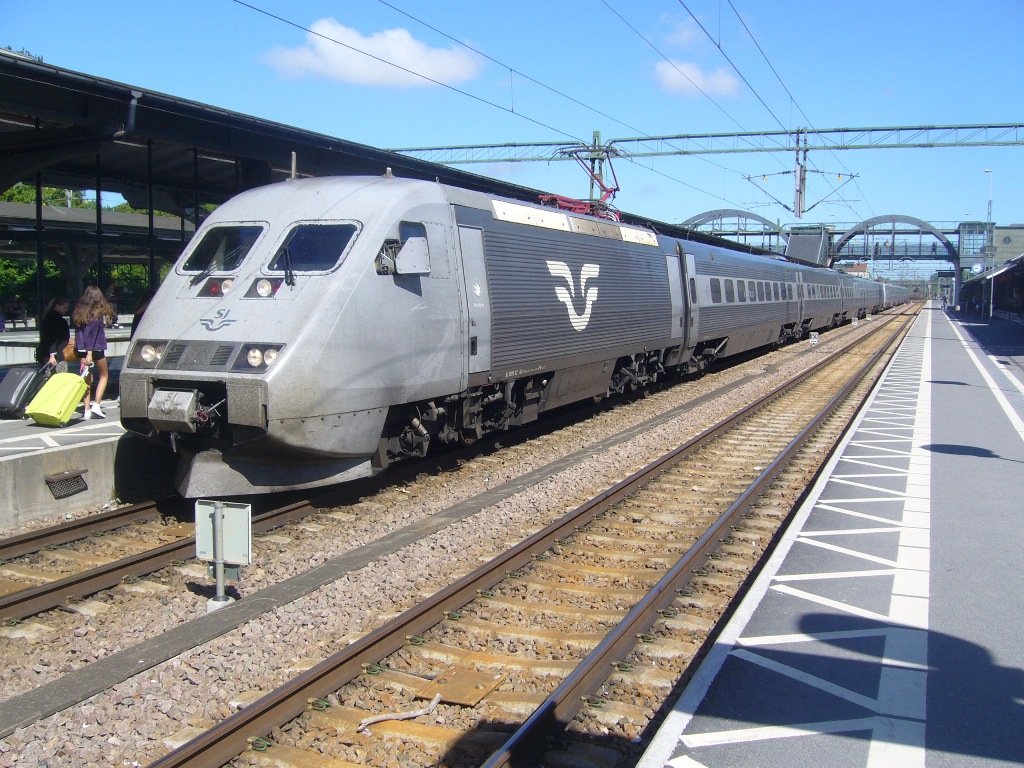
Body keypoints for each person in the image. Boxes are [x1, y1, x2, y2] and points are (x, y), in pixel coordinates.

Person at [72, 285, 117, 419]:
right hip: (95, 348)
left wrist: (84, 351)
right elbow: (92, 335)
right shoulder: (96, 314)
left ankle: (86, 409)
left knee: (86, 379)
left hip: (81, 348)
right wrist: (90, 353)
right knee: (104, 375)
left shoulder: (79, 312)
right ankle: (96, 405)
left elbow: (81, 333)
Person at [35, 296, 71, 367]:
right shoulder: (58, 320)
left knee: (48, 376)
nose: (66, 310)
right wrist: (52, 354)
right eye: (65, 307)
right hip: (56, 354)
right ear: (57, 306)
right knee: (58, 376)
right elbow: (53, 338)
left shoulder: (47, 317)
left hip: (44, 353)